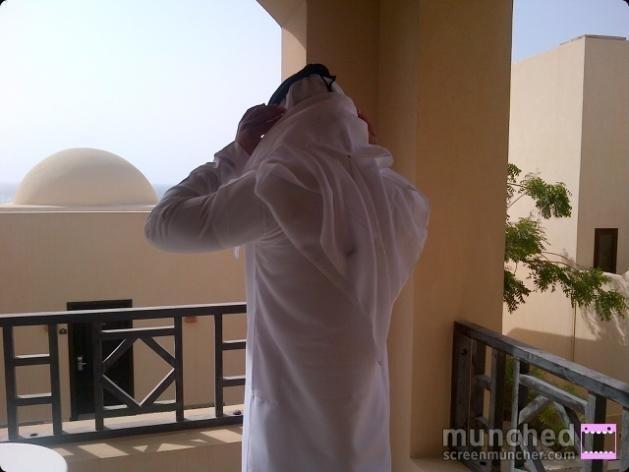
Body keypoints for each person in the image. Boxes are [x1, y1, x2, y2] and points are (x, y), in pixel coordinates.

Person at [144, 64, 430, 472]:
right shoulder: (400, 199)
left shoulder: (276, 188)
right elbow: (365, 202)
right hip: (362, 415)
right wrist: (365, 145)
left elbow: (162, 225)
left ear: (281, 127)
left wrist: (234, 155)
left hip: (292, 423)